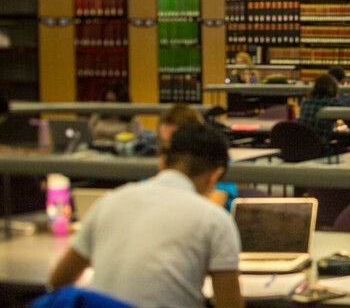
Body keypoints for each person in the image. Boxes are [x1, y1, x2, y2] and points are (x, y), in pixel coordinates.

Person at [49, 124, 244, 308]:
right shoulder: (214, 220)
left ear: (162, 162)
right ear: (215, 175)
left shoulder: (109, 202)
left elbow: (57, 282)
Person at [158, 104, 238, 211]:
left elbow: (211, 207)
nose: (169, 152)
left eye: (175, 144)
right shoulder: (162, 162)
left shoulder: (215, 159)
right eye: (164, 144)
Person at [299, 74, 350, 146]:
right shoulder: (333, 103)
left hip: (302, 147)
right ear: (334, 88)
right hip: (320, 148)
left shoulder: (306, 102)